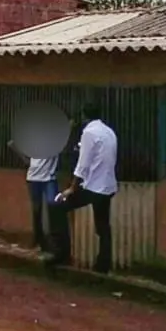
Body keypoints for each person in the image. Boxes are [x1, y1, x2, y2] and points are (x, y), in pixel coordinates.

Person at [45, 103, 118, 273]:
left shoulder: (89, 133)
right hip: (107, 185)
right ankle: (103, 264)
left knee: (56, 208)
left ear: (84, 117)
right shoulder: (109, 131)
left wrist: (71, 188)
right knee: (103, 226)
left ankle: (61, 253)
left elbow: (82, 164)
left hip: (93, 186)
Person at [8, 138, 59, 252]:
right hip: (34, 178)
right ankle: (39, 239)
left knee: (53, 208)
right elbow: (12, 144)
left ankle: (53, 241)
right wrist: (26, 159)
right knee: (37, 209)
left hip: (48, 178)